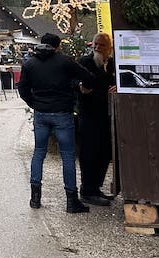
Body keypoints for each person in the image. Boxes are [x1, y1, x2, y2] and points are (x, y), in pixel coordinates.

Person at [18, 33, 94, 213]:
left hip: (41, 114)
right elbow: (89, 77)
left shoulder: (30, 63)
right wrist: (81, 87)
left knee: (39, 153)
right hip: (62, 113)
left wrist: (34, 103)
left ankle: (35, 198)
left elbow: (22, 88)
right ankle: (71, 200)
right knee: (67, 156)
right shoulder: (64, 61)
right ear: (58, 46)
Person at [77, 33, 117, 206]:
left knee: (104, 152)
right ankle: (87, 190)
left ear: (109, 48)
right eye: (96, 44)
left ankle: (96, 187)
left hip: (106, 115)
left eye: (102, 45)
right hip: (89, 115)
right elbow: (76, 83)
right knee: (89, 153)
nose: (98, 48)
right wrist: (81, 87)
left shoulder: (112, 64)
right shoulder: (86, 62)